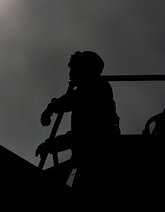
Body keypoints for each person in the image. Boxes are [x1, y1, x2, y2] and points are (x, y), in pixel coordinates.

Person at [35, 51, 121, 191]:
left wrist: (52, 144)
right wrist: (51, 109)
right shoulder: (93, 90)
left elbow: (85, 136)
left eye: (74, 69)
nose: (70, 74)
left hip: (98, 162)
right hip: (92, 158)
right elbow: (71, 100)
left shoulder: (95, 91)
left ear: (85, 70)